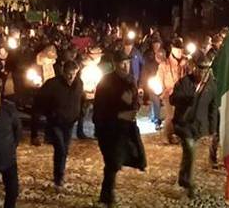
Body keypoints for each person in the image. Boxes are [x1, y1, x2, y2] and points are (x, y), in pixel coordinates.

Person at [93, 50, 146, 207]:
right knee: (112, 162)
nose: (125, 65)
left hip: (125, 128)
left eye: (127, 62)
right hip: (110, 127)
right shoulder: (106, 82)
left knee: (115, 162)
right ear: (115, 65)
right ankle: (107, 196)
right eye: (122, 63)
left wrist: (135, 103)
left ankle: (106, 195)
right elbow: (100, 107)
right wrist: (118, 113)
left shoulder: (130, 80)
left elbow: (136, 101)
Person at [170, 51, 217, 198]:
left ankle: (183, 178)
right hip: (184, 125)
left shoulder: (211, 86)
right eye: (200, 68)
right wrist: (186, 98)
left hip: (199, 126)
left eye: (206, 69)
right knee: (190, 150)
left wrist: (213, 128)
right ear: (195, 68)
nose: (203, 72)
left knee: (189, 154)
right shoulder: (184, 82)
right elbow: (172, 99)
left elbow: (213, 108)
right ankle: (189, 183)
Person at [36, 60, 83, 189]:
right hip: (55, 123)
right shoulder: (52, 85)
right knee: (60, 148)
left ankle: (59, 174)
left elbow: (80, 99)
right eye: (69, 74)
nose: (71, 77)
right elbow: (39, 102)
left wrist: (79, 113)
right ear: (63, 72)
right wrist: (48, 115)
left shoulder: (79, 84)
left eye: (74, 74)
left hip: (69, 123)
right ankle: (59, 176)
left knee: (65, 150)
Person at [157, 37, 186, 143]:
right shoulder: (164, 64)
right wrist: (162, 92)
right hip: (168, 93)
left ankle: (173, 135)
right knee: (170, 115)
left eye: (181, 49)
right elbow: (159, 79)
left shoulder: (185, 62)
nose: (180, 52)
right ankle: (165, 136)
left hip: (182, 93)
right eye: (177, 49)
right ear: (172, 49)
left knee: (179, 115)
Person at [142, 33, 166, 130]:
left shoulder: (164, 58)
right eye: (154, 44)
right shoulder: (148, 58)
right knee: (155, 101)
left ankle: (155, 116)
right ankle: (156, 120)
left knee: (160, 102)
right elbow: (144, 72)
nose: (156, 46)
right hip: (152, 83)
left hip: (162, 83)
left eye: (158, 44)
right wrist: (142, 85)